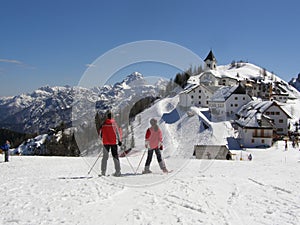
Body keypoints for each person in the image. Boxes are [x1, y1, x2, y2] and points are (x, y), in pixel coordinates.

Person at [99, 112, 122, 177]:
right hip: (113, 142)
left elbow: (100, 134)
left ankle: (103, 172)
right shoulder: (114, 124)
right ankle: (118, 171)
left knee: (105, 157)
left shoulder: (103, 124)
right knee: (115, 156)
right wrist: (119, 141)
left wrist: (102, 140)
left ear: (107, 117)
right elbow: (118, 132)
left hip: (105, 143)